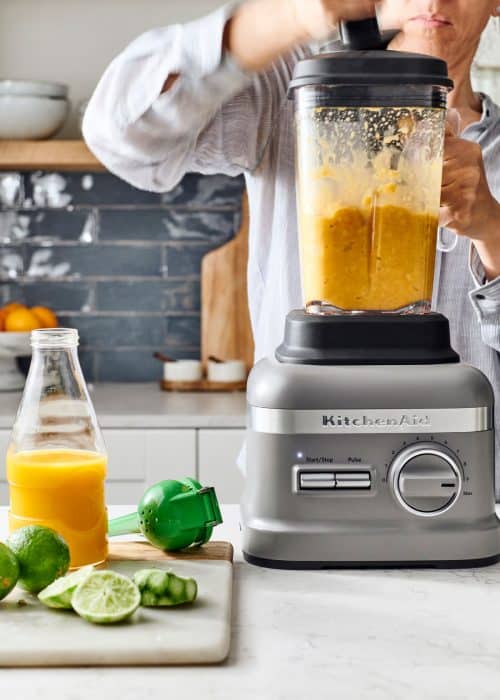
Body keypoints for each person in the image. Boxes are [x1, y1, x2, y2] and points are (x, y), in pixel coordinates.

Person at [83, 0, 500, 489]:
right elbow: (120, 132)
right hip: (301, 471)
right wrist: (294, 16)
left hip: (468, 489)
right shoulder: (293, 107)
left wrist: (491, 227)